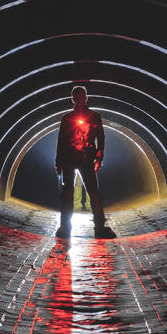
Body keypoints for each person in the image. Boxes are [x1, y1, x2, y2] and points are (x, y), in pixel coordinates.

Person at [54, 85, 116, 239]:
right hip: (69, 158)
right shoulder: (67, 118)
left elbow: (100, 137)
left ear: (86, 98)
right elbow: (61, 140)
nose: (80, 100)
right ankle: (65, 227)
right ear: (73, 99)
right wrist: (59, 162)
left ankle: (99, 227)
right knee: (67, 194)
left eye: (82, 97)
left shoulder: (95, 116)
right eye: (78, 97)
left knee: (94, 193)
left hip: (87, 158)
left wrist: (99, 156)